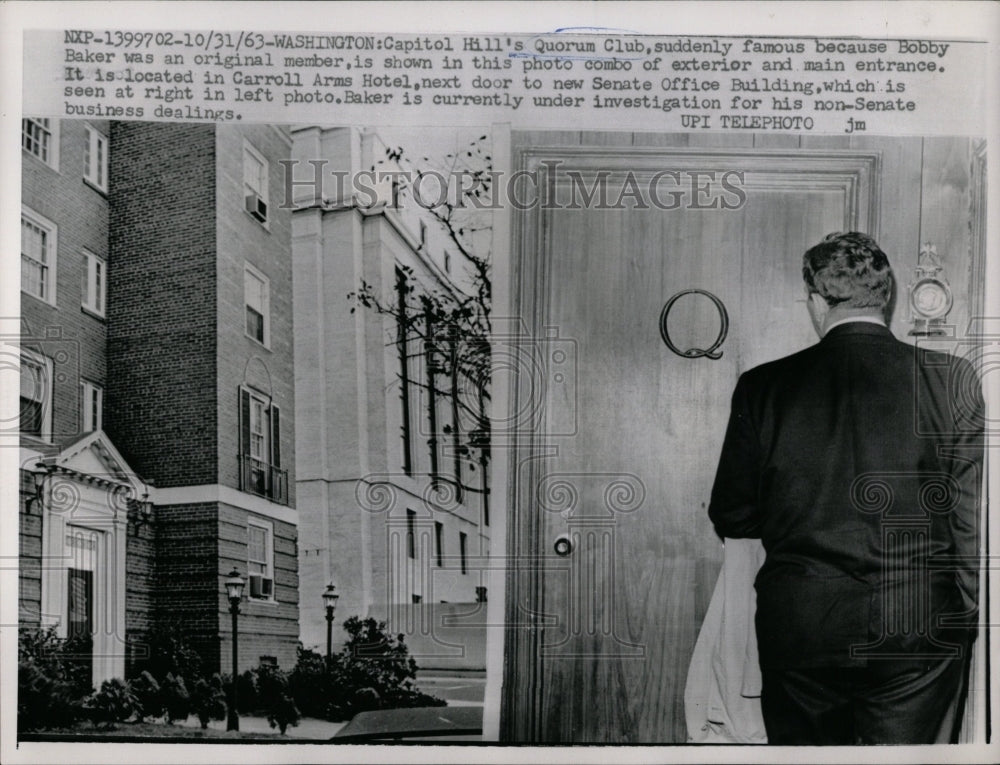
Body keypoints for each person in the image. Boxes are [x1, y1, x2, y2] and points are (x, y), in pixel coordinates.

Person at [707, 232, 983, 745]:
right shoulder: (953, 380)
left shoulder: (763, 388)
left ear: (815, 302)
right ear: (886, 295)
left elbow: (732, 515)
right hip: (920, 622)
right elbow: (972, 519)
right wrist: (963, 613)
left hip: (804, 627)